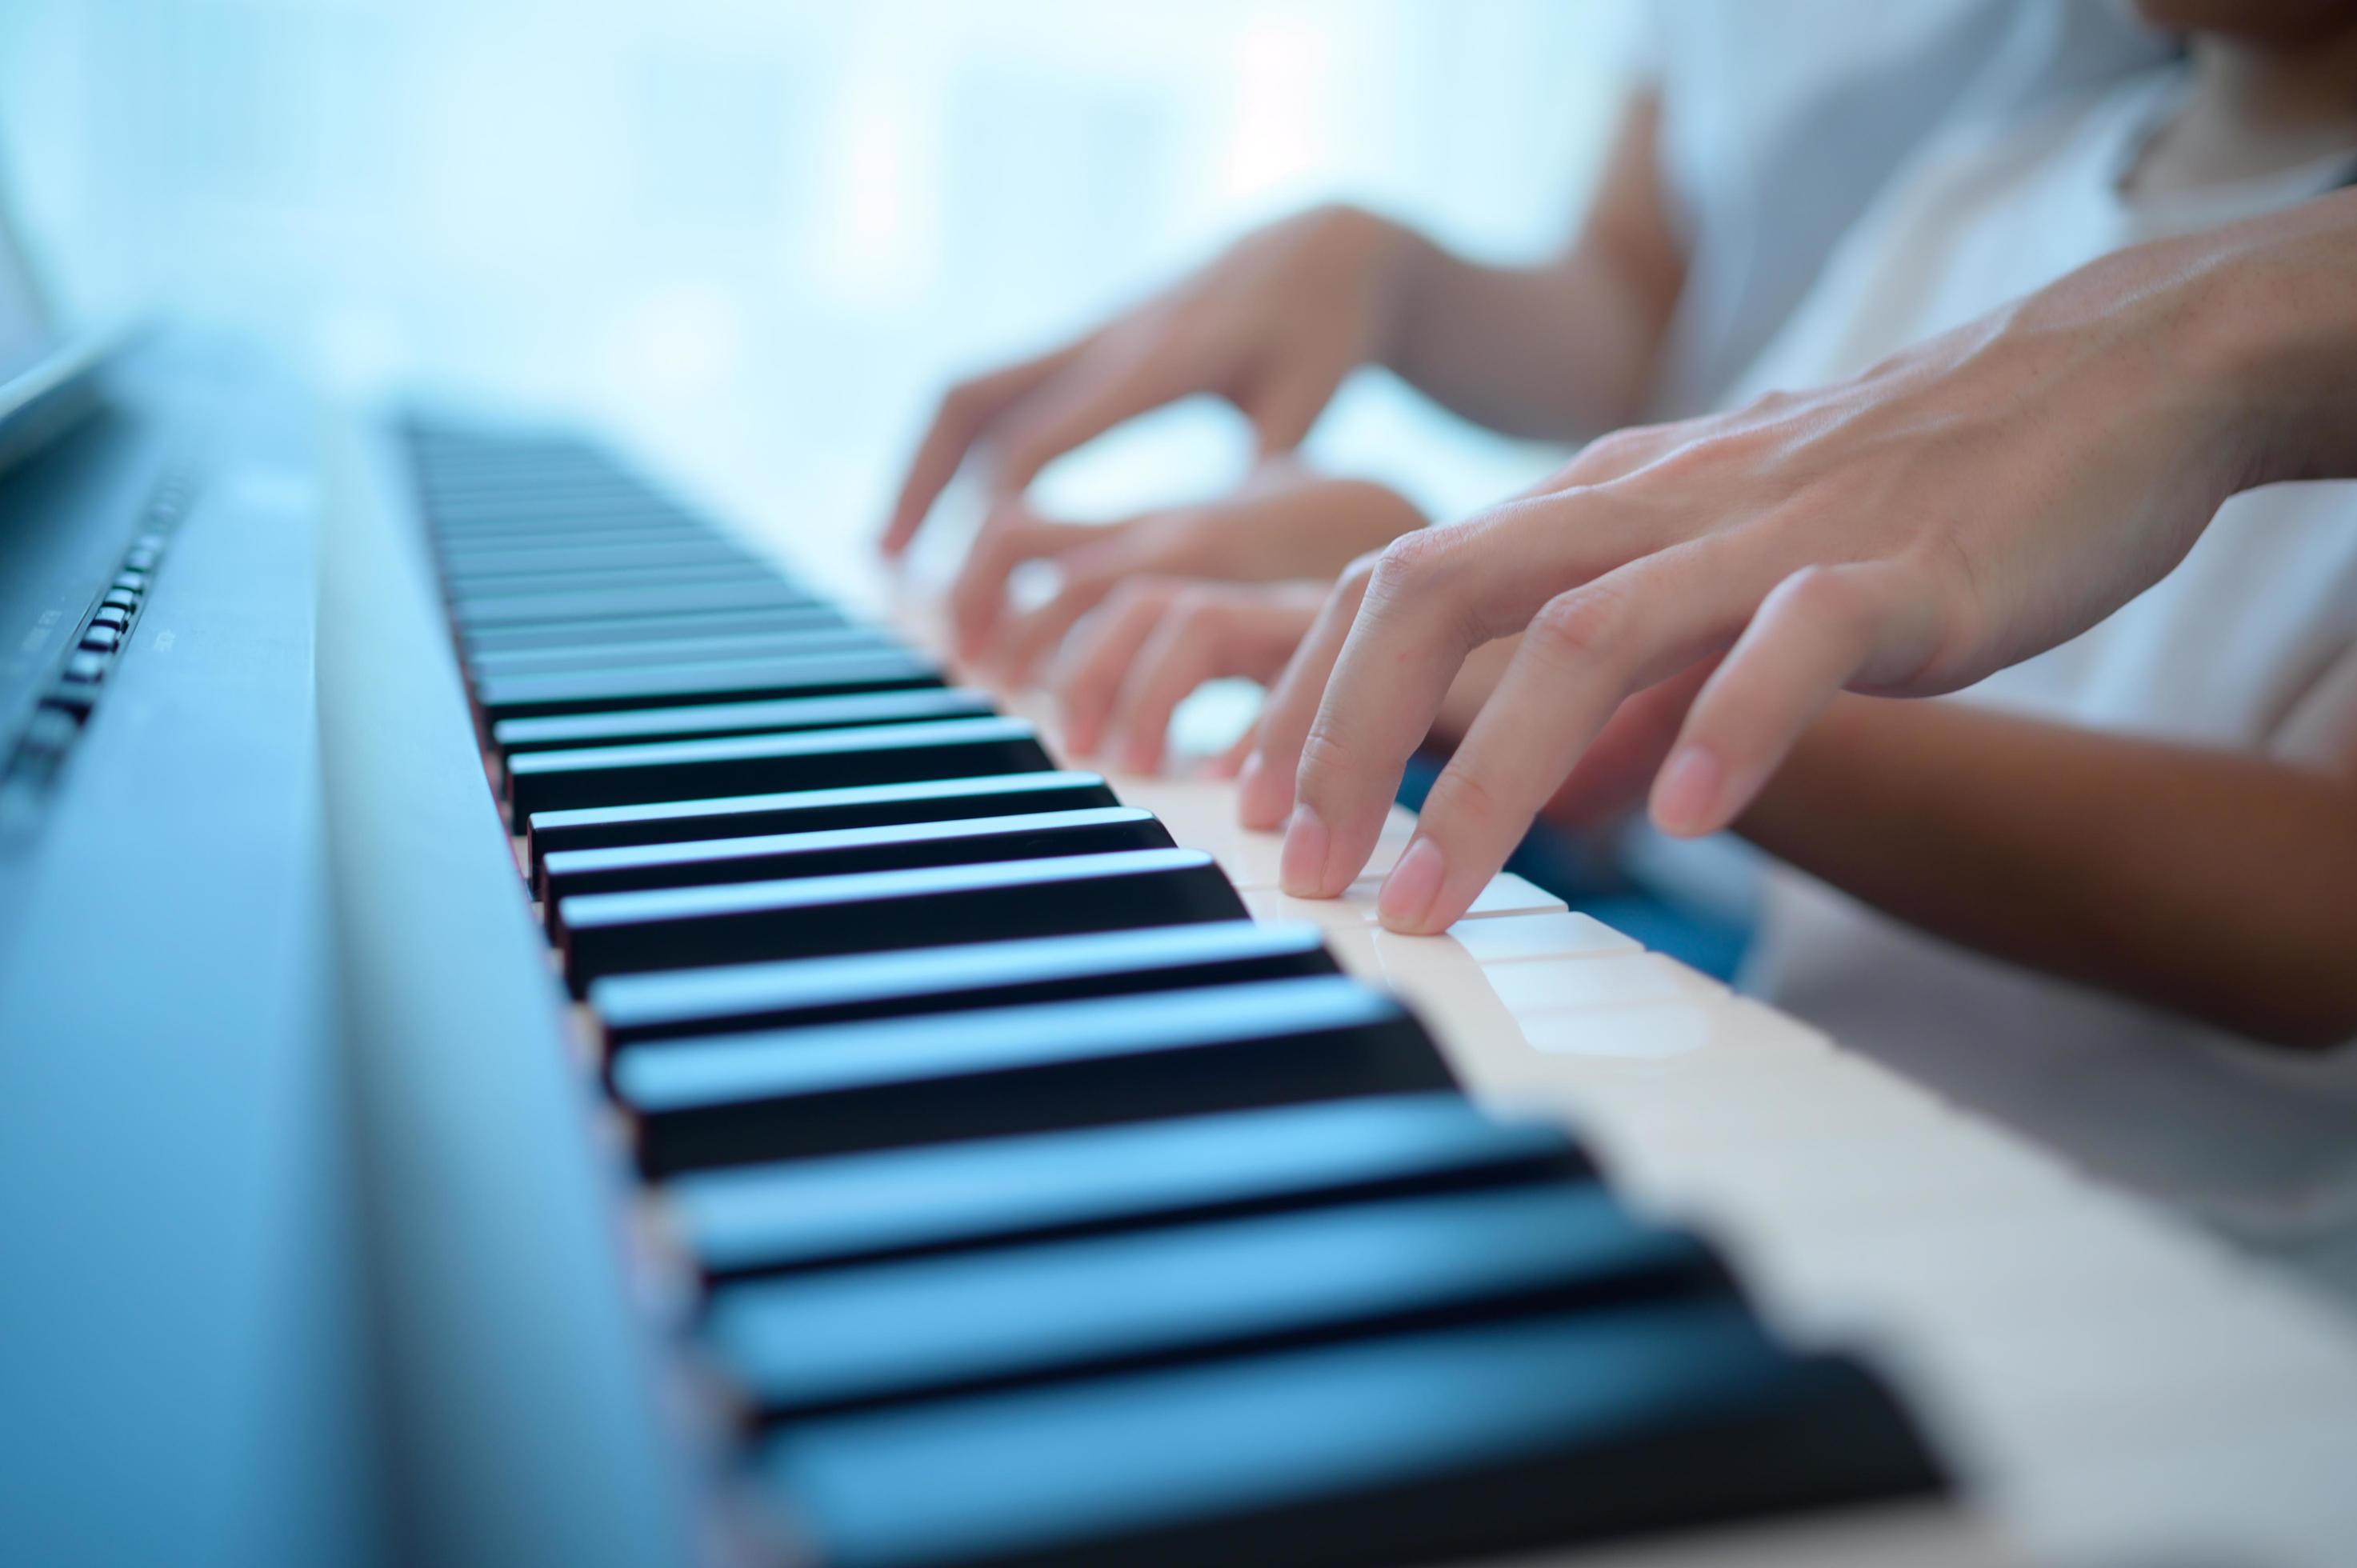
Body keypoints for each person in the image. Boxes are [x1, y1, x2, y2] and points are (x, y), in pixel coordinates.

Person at [880, 0, 2162, 699]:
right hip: (1715, 755)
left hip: (1782, 731)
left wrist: (1531, 628)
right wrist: (1379, 269)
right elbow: (1646, 310)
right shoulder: (1978, 198)